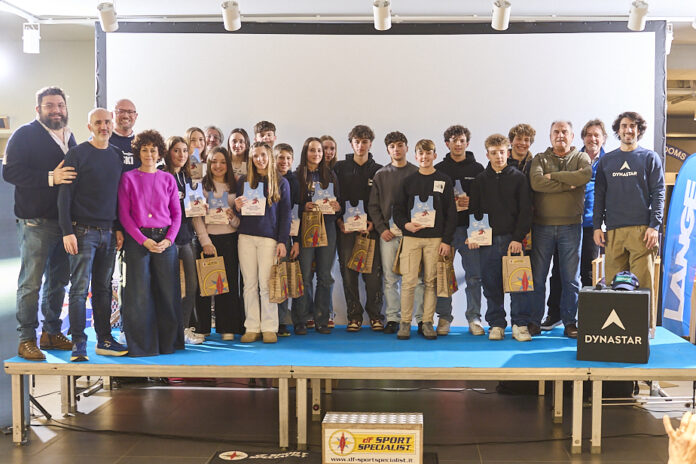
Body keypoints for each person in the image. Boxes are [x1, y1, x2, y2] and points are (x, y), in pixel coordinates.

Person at [3, 86, 76, 360]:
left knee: (58, 281)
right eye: (50, 106)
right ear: (38, 109)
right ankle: (26, 339)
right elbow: (9, 172)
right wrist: (50, 178)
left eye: (60, 105)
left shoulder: (69, 136)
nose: (56, 110)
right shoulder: (24, 134)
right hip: (35, 221)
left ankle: (51, 332)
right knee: (31, 283)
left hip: (65, 224)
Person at [58, 108, 128, 361]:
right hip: (82, 231)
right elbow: (64, 195)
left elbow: (117, 195)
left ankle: (105, 340)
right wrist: (67, 231)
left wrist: (118, 227)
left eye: (107, 122)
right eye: (98, 123)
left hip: (108, 232)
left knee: (103, 289)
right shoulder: (77, 154)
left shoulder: (116, 154)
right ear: (89, 127)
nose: (104, 126)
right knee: (79, 289)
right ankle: (78, 343)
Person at [118, 130, 183, 356]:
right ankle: (143, 346)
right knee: (139, 294)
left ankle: (168, 344)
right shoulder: (128, 178)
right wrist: (143, 240)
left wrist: (169, 240)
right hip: (138, 241)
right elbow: (124, 215)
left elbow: (177, 214)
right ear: (138, 152)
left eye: (153, 150)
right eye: (144, 150)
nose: (149, 154)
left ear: (159, 153)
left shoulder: (168, 179)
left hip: (165, 240)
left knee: (167, 292)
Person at [529, 121, 591, 339]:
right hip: (542, 226)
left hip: (571, 226)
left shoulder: (581, 157)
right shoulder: (540, 158)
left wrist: (553, 176)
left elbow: (584, 176)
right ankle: (534, 321)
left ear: (572, 136)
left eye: (565, 132)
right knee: (537, 278)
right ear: (550, 136)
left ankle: (570, 322)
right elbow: (537, 183)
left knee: (571, 279)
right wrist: (568, 183)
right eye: (556, 131)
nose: (560, 135)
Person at [467, 134, 533, 341]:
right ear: (487, 154)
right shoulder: (480, 180)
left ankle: (519, 324)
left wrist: (518, 238)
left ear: (508, 153)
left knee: (518, 285)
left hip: (513, 240)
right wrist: (474, 235)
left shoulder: (518, 178)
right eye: (494, 153)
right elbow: (474, 211)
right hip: (487, 241)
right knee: (491, 284)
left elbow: (525, 211)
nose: (498, 157)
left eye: (502, 152)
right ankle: (496, 324)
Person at [593, 111, 664, 296]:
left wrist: (654, 226)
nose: (628, 130)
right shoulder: (606, 161)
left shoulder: (650, 158)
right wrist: (597, 226)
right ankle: (616, 318)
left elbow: (659, 192)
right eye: (624, 126)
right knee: (613, 288)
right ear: (618, 130)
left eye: (633, 126)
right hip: (613, 231)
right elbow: (599, 195)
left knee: (643, 289)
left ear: (639, 130)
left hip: (642, 232)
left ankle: (645, 319)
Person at [393, 139, 456, 340]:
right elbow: (397, 211)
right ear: (415, 156)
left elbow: (451, 213)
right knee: (408, 281)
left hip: (435, 240)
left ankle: (427, 322)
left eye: (428, 153)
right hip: (412, 238)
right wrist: (406, 225)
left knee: (431, 282)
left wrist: (446, 240)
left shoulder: (444, 180)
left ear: (434, 155)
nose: (425, 157)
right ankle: (405, 323)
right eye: (421, 153)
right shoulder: (408, 181)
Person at [368, 131, 424, 334]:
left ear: (407, 148)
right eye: (392, 146)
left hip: (413, 234)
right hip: (389, 235)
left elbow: (424, 205)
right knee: (390, 279)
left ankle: (420, 319)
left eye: (400, 145)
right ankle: (393, 318)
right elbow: (373, 206)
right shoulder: (381, 175)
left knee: (417, 278)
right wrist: (382, 229)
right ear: (387, 150)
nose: (397, 149)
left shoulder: (418, 173)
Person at [235, 142, 291, 343]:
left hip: (269, 239)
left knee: (267, 284)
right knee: (249, 284)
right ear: (251, 158)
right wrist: (236, 207)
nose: (259, 159)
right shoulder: (244, 181)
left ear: (270, 156)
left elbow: (286, 215)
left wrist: (282, 241)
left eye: (263, 155)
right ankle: (252, 327)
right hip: (246, 237)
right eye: (256, 156)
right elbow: (238, 213)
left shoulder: (281, 182)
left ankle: (269, 327)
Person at [433, 125, 484, 336]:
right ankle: (444, 318)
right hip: (446, 231)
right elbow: (433, 202)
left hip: (470, 230)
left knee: (474, 276)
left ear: (467, 143)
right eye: (454, 140)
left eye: (462, 140)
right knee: (443, 275)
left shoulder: (478, 169)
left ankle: (474, 318)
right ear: (447, 144)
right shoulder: (438, 169)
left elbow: (485, 201)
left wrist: (472, 202)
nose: (458, 144)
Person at [334, 125, 384, 332]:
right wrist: (339, 221)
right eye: (357, 142)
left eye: (365, 142)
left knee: (373, 276)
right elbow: (333, 198)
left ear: (370, 144)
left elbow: (382, 202)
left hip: (370, 230)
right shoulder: (339, 168)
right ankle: (354, 316)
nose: (361, 146)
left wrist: (374, 224)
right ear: (351, 143)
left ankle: (375, 316)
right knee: (348, 275)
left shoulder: (379, 170)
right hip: (345, 230)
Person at [193, 146, 245, 340]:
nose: (218, 166)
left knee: (228, 284)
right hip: (207, 240)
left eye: (223, 162)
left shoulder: (236, 185)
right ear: (208, 163)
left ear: (228, 165)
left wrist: (233, 218)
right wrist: (205, 240)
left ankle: (227, 327)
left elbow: (241, 219)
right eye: (214, 161)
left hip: (230, 239)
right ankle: (202, 327)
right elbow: (196, 216)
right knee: (204, 285)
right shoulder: (201, 186)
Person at [293, 137, 341, 335]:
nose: (317, 154)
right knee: (304, 275)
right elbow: (291, 205)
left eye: (319, 151)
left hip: (327, 227)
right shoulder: (296, 175)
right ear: (305, 152)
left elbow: (339, 203)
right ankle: (301, 319)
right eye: (312, 150)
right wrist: (303, 206)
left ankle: (322, 319)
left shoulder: (330, 175)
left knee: (325, 276)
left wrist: (337, 207)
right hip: (305, 227)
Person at [163, 135, 205, 345]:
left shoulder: (188, 179)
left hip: (186, 239)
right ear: (168, 152)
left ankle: (184, 329)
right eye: (176, 150)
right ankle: (167, 331)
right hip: (166, 240)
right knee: (167, 288)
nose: (181, 155)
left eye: (185, 151)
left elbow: (191, 210)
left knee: (191, 286)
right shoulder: (160, 175)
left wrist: (200, 207)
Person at [578, 119, 607, 287]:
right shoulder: (572, 159)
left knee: (589, 273)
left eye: (597, 135)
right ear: (583, 138)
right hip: (570, 224)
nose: (593, 139)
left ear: (603, 138)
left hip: (593, 225)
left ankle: (586, 305)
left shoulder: (609, 161)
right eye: (589, 135)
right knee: (563, 273)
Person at [275, 143, 300, 336]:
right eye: (280, 157)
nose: (284, 161)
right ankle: (267, 319)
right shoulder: (266, 179)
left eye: (288, 158)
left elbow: (296, 212)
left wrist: (296, 240)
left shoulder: (294, 181)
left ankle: (282, 320)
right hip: (265, 234)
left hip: (286, 236)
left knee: (282, 277)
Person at [109, 99, 139, 171]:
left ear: (136, 116)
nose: (125, 116)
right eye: (121, 111)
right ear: (112, 115)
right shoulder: (102, 141)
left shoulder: (141, 144)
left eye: (130, 112)